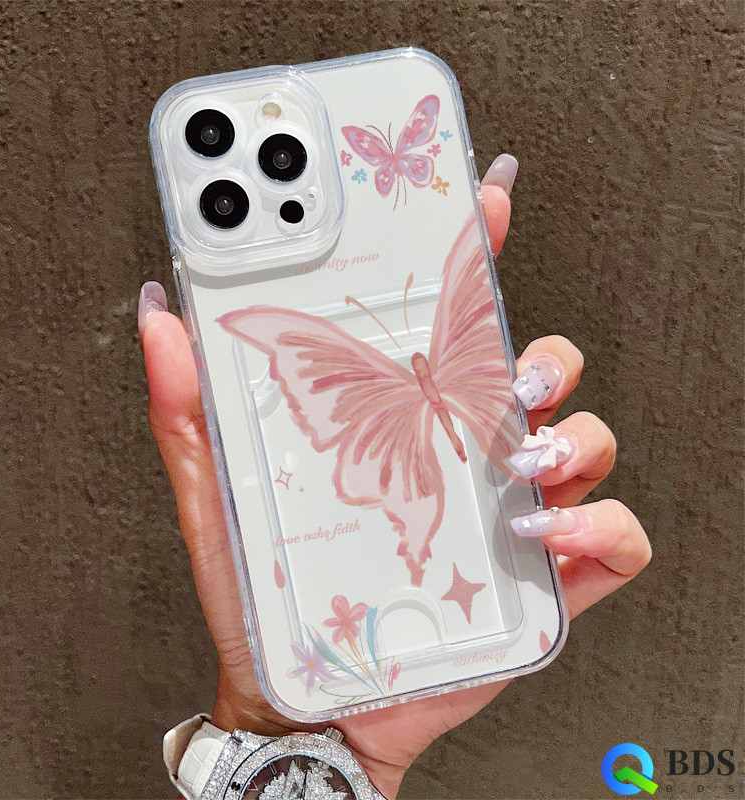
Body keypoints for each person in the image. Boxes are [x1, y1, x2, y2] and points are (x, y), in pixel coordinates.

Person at [138, 155, 651, 799]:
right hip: (413, 441)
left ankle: (426, 534)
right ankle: (420, 536)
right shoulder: (280, 682)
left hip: (426, 436)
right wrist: (283, 726)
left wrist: (288, 747)